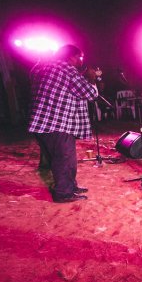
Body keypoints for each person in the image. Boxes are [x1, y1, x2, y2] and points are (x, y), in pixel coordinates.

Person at [28, 44, 98, 203]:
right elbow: (90, 94)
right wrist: (91, 78)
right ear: (71, 57)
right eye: (80, 57)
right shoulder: (68, 70)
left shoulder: (45, 68)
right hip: (56, 124)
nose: (81, 61)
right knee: (63, 159)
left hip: (43, 124)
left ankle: (70, 187)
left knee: (67, 159)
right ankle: (63, 193)